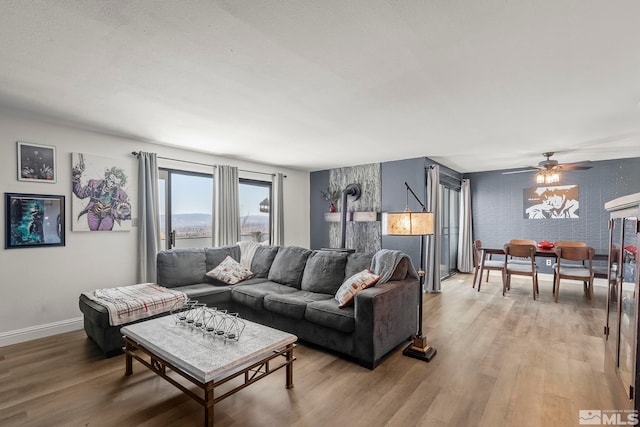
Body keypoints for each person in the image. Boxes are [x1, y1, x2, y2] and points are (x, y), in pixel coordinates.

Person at [72, 159, 131, 231]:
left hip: (108, 216)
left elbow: (126, 211)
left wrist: (112, 211)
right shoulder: (94, 184)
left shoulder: (121, 193)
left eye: (115, 183)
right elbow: (81, 193)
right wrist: (76, 178)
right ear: (107, 177)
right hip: (93, 214)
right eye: (111, 181)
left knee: (104, 232)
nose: (111, 184)